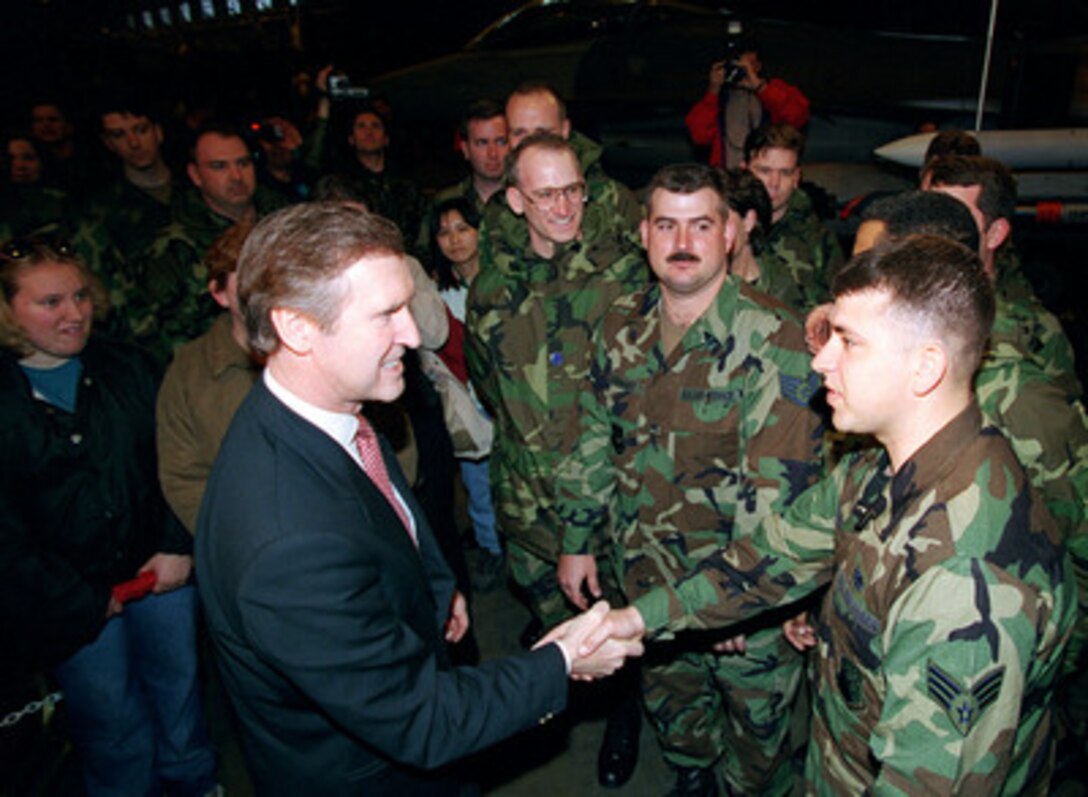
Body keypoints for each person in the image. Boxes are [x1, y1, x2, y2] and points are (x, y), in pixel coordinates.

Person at [571, 234, 1077, 794]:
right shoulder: (880, 466)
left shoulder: (965, 580)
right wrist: (636, 619)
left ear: (925, 366)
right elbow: (770, 556)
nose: (819, 359)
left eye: (849, 341)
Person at [194, 201, 641, 796]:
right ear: (297, 327)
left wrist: (433, 582)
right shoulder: (288, 542)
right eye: (385, 315)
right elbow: (424, 720)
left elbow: (386, 509)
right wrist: (561, 662)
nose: (412, 333)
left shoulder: (331, 409)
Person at [554, 163, 824, 796]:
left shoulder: (777, 340)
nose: (683, 242)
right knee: (679, 722)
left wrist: (730, 609)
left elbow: (778, 500)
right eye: (667, 225)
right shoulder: (622, 324)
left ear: (730, 233)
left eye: (701, 225)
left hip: (744, 603)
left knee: (757, 748)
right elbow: (595, 431)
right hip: (646, 583)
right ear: (644, 233)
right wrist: (577, 536)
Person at [0, 236, 219, 796]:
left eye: (80, 296)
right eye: (50, 302)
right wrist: (77, 599)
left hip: (160, 575)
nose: (74, 313)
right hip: (70, 600)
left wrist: (177, 544)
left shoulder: (129, 365)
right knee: (112, 724)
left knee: (180, 700)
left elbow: (178, 458)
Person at [465, 132, 647, 788]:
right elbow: (489, 387)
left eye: (574, 188)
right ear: (515, 200)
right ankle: (561, 711)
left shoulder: (623, 273)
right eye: (547, 193)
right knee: (551, 622)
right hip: (524, 502)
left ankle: (622, 715)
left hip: (607, 505)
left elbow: (626, 402)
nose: (566, 205)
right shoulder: (491, 286)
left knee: (615, 625)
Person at [923, 154, 1079, 391]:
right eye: (931, 214)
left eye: (957, 218)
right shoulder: (901, 303)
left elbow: (1056, 422)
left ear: (995, 233)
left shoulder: (1036, 333)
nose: (935, 231)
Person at [138, 121, 287, 363]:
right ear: (195, 175)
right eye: (219, 166)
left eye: (243, 163)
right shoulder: (174, 245)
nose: (236, 176)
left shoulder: (285, 220)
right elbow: (158, 337)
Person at [156, 220, 262, 534]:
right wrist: (240, 542)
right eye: (247, 280)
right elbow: (184, 478)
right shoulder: (190, 370)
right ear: (219, 293)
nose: (262, 291)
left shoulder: (326, 347)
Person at [423, 197, 503, 590]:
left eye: (462, 228)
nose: (454, 240)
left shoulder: (504, 278)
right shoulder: (433, 293)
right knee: (479, 486)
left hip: (509, 403)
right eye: (443, 232)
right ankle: (491, 550)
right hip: (467, 407)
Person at [743, 124, 843, 312]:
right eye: (764, 171)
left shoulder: (819, 240)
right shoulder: (724, 232)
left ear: (796, 177)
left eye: (785, 173)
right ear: (745, 170)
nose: (774, 183)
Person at [685, 38, 810, 169]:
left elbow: (797, 116)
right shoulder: (717, 98)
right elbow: (699, 136)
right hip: (727, 177)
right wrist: (713, 90)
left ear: (759, 66)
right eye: (737, 65)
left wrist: (761, 88)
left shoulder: (773, 90)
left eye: (749, 65)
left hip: (766, 175)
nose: (742, 70)